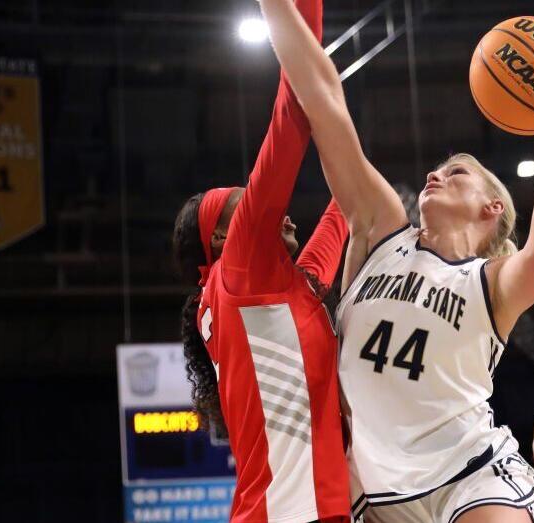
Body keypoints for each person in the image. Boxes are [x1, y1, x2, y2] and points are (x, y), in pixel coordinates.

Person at [258, 0, 534, 520]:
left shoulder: (490, 282)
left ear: (492, 207)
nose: (435, 175)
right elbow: (324, 102)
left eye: (456, 172)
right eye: (437, 171)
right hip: (378, 487)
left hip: (471, 470)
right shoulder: (381, 229)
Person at [171, 0, 351, 520]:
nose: (281, 212)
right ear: (229, 234)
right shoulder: (239, 270)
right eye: (248, 207)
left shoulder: (270, 288)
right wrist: (300, 15)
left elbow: (343, 214)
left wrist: (337, 116)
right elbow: (291, 113)